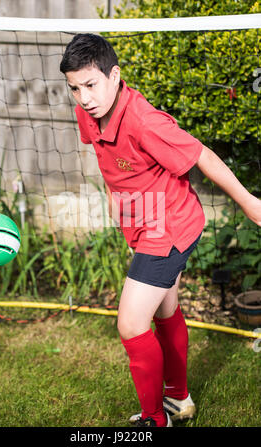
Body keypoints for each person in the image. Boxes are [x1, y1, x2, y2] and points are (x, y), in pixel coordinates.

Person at [60, 33, 261, 427]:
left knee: (132, 324)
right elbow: (111, 162)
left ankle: (155, 420)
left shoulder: (144, 121)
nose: (83, 97)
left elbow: (201, 154)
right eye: (74, 88)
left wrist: (249, 202)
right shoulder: (88, 111)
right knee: (166, 309)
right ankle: (179, 399)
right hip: (144, 222)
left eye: (91, 84)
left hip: (168, 226)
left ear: (114, 75)